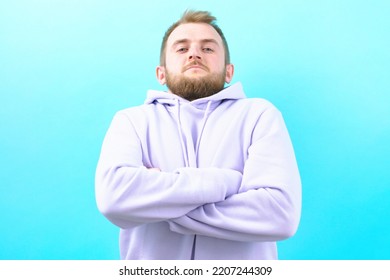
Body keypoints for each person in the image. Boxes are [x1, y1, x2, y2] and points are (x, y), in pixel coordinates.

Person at [95, 10, 301, 260]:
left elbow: (279, 216)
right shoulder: (132, 121)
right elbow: (113, 199)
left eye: (208, 49)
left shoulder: (259, 115)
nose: (194, 54)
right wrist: (228, 182)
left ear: (229, 71)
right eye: (181, 49)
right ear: (161, 73)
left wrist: (156, 203)